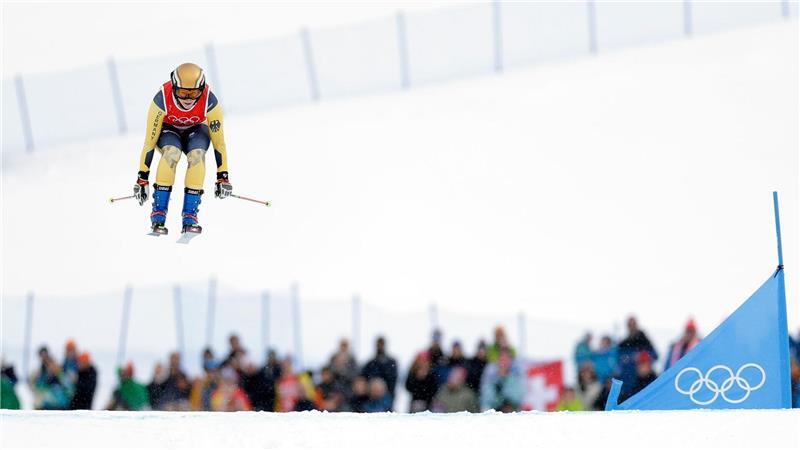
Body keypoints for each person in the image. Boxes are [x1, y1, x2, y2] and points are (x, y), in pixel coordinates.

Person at [133, 62, 232, 235]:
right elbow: (149, 142)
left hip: (195, 130)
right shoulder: (162, 99)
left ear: (201, 89)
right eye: (182, 92)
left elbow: (219, 143)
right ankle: (159, 214)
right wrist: (142, 178)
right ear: (173, 87)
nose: (188, 98)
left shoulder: (210, 100)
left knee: (197, 156)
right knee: (172, 153)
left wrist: (222, 177)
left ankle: (190, 216)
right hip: (168, 130)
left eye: (193, 93)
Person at [617, 316, 657, 398]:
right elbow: (618, 360)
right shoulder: (624, 343)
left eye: (633, 324)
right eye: (629, 325)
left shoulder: (644, 340)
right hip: (627, 382)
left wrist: (641, 356)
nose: (631, 327)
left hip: (642, 381)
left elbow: (654, 355)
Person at [361, 336, 398, 409]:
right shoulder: (370, 363)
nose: (380, 346)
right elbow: (364, 377)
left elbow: (393, 379)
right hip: (370, 397)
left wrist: (382, 388)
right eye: (378, 344)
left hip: (386, 396)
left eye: (381, 344)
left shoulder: (391, 362)